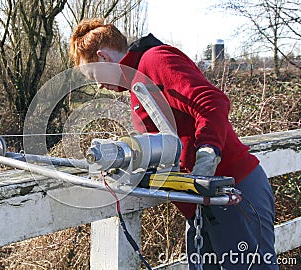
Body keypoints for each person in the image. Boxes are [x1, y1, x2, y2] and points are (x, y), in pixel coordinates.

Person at [69, 18, 278, 269]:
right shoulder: (137, 82)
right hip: (203, 202)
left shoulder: (155, 60)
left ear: (102, 57)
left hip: (233, 190)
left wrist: (207, 153)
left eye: (92, 75)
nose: (98, 84)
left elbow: (212, 101)